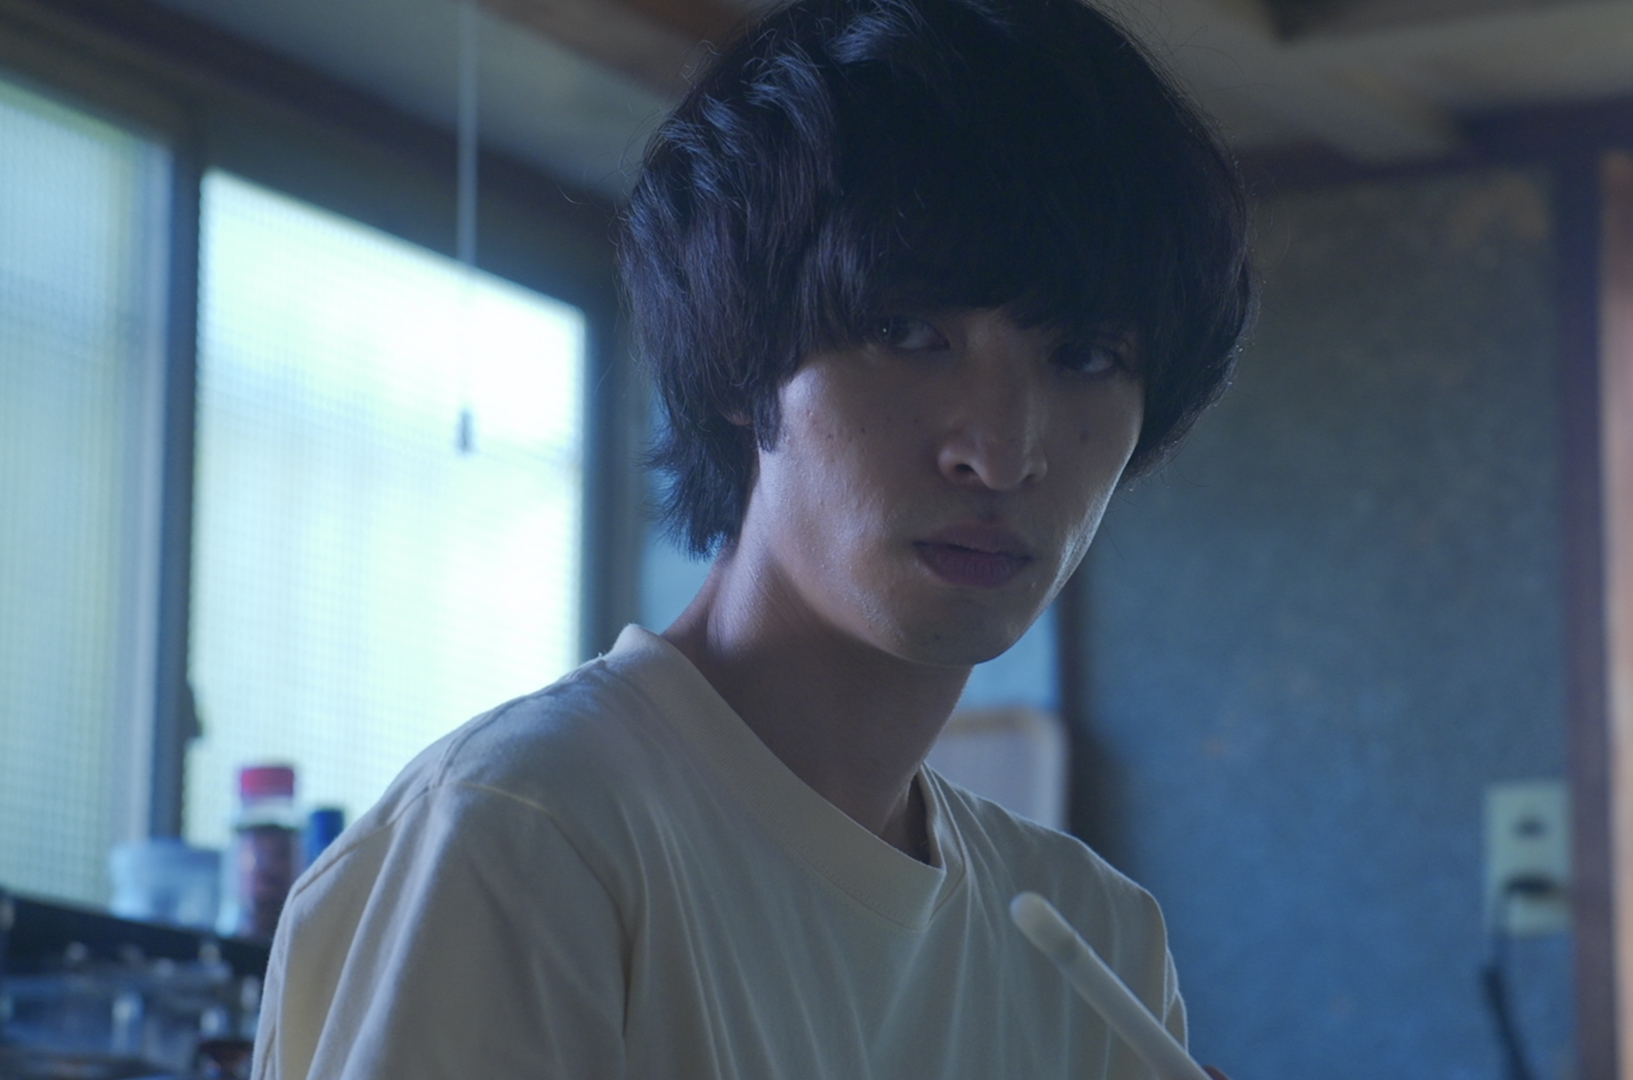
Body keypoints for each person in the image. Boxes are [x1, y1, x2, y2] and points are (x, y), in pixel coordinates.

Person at [249, 0, 1251, 1075]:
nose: (1001, 453)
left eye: (1086, 357)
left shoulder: (1093, 939)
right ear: (741, 362)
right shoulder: (535, 828)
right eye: (908, 333)